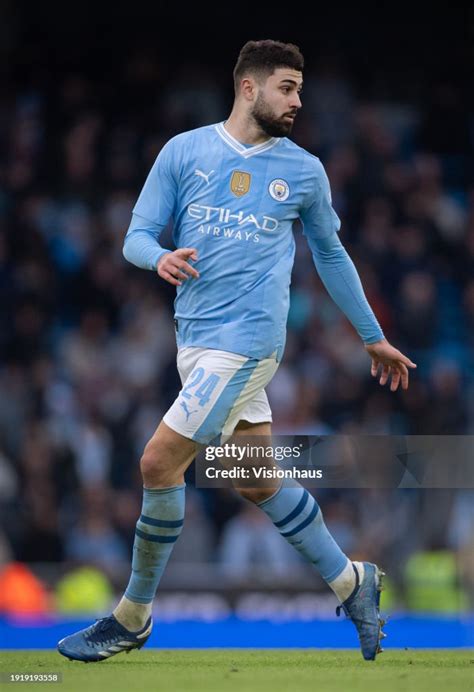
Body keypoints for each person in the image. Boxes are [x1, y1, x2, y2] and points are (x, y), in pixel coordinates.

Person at [58, 39, 416, 663]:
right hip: (194, 342)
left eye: (300, 89)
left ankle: (132, 617)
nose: (298, 100)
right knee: (253, 477)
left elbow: (330, 254)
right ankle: (351, 580)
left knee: (156, 465)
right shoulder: (185, 151)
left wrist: (370, 334)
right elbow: (136, 237)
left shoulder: (303, 170)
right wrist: (158, 256)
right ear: (248, 87)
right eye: (287, 87)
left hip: (247, 343)